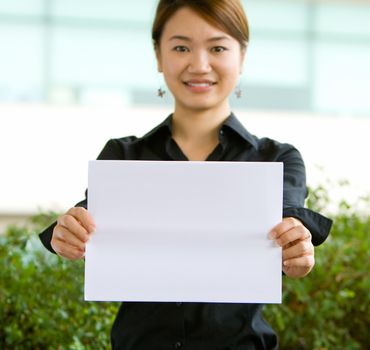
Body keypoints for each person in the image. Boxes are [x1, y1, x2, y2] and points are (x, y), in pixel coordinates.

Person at [39, 0, 332, 349]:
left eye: (218, 47)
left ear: (242, 56)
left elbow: (290, 225)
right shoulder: (123, 157)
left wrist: (297, 248)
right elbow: (86, 226)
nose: (199, 64)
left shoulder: (276, 159)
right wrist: (67, 234)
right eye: (181, 47)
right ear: (158, 56)